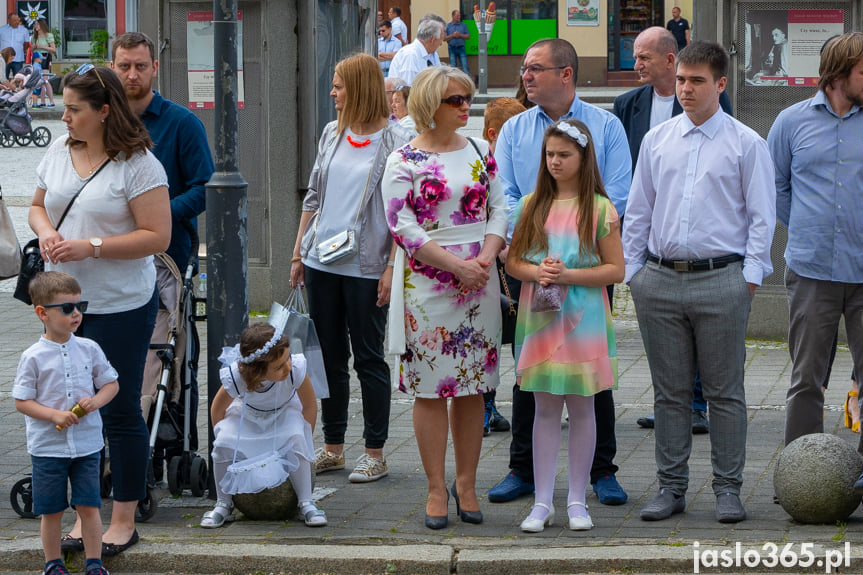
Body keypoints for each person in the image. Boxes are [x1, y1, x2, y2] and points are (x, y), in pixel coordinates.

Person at [623, 41, 776, 523]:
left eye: (697, 81)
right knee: (668, 393)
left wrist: (748, 278)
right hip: (660, 281)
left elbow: (762, 220)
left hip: (722, 280)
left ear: (721, 84)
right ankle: (671, 488)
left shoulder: (746, 143)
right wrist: (634, 273)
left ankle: (728, 490)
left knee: (724, 392)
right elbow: (639, 211)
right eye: (683, 80)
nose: (686, 89)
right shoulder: (658, 140)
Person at [29, 64, 171, 556]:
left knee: (120, 409)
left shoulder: (140, 164)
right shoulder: (59, 150)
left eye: (73, 109)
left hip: (120, 305)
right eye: (64, 108)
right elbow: (37, 206)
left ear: (104, 111)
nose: (63, 116)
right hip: (66, 302)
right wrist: (46, 232)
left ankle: (123, 519)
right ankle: (86, 518)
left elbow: (157, 237)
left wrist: (91, 245)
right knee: (70, 410)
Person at [490, 38, 632, 508]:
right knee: (529, 372)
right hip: (533, 263)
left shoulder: (605, 126)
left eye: (536, 68)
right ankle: (523, 469)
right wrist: (537, 239)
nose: (526, 76)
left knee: (592, 377)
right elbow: (507, 193)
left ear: (566, 74)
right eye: (525, 68)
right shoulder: (513, 129)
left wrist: (575, 244)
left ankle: (602, 471)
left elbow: (616, 194)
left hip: (587, 266)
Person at [381, 65, 507, 529]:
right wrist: (457, 266)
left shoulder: (478, 148)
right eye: (456, 100)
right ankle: (436, 487)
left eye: (467, 99)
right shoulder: (404, 161)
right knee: (432, 390)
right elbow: (403, 227)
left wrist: (487, 257)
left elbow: (501, 206)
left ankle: (468, 483)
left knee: (473, 388)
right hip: (430, 283)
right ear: (429, 105)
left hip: (481, 280)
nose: (465, 107)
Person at [291, 53, 412, 484]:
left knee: (369, 357)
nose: (332, 92)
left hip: (367, 265)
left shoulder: (397, 140)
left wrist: (391, 267)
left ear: (358, 87)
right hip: (321, 261)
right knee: (328, 358)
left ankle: (375, 451)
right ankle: (333, 446)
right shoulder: (332, 133)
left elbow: (403, 212)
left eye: (339, 85)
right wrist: (297, 254)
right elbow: (313, 199)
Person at [613, 27, 733, 434]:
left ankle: (697, 404)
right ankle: (673, 404)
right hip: (652, 241)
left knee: (706, 342)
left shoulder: (715, 105)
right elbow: (629, 175)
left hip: (705, 243)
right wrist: (633, 267)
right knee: (668, 347)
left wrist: (751, 274)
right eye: (635, 56)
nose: (636, 64)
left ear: (669, 58)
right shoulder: (628, 104)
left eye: (644, 57)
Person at [509, 120, 623, 534]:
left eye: (564, 155)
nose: (555, 162)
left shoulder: (598, 208)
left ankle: (577, 498)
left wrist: (566, 276)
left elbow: (616, 269)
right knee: (542, 407)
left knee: (583, 405)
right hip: (540, 317)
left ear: (583, 158)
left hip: (584, 318)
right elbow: (513, 262)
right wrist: (537, 271)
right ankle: (542, 501)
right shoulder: (529, 204)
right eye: (549, 155)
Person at [109, 32, 215, 480]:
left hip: (168, 261)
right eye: (123, 66)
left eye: (140, 66)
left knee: (170, 353)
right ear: (112, 68)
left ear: (155, 68)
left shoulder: (180, 123)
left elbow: (205, 187)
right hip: (110, 259)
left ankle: (171, 444)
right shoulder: (101, 120)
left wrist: (158, 217)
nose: (132, 75)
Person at [766, 33, 863, 471]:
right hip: (811, 270)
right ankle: (801, 477)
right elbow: (776, 187)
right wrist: (808, 227)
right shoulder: (790, 122)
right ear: (839, 74)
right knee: (807, 379)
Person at [13, 272, 119, 575]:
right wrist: (54, 415)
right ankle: (53, 563)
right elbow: (22, 401)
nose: (76, 314)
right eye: (67, 308)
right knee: (51, 510)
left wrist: (96, 402)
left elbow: (111, 384)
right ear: (42, 313)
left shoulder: (89, 348)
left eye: (79, 305)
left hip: (86, 446)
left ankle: (94, 563)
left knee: (89, 506)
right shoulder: (32, 357)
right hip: (48, 448)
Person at [204, 322, 326, 528]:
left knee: (295, 438)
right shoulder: (238, 376)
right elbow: (217, 409)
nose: (287, 366)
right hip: (248, 416)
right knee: (223, 444)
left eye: (287, 358)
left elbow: (309, 405)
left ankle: (306, 501)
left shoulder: (295, 369)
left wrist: (306, 437)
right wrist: (226, 436)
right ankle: (223, 503)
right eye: (278, 366)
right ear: (257, 370)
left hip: (285, 412)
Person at [481, 97, 525, 437]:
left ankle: (528, 397)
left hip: (519, 257)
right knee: (489, 337)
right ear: (494, 134)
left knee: (520, 334)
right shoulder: (479, 165)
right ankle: (485, 406)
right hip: (491, 263)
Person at [387, 19, 444, 86]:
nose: (441, 43)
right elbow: (408, 90)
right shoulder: (411, 55)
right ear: (433, 39)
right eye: (441, 39)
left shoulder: (425, 54)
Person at [31, 20, 56, 108]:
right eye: (35, 24)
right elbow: (31, 50)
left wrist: (42, 47)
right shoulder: (34, 37)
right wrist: (33, 48)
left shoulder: (48, 35)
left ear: (42, 25)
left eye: (37, 24)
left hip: (45, 56)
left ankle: (51, 101)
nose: (36, 26)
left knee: (45, 80)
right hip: (36, 57)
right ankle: (42, 101)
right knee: (39, 80)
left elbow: (53, 49)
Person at [0, 13, 29, 79]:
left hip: (18, 58)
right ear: (9, 20)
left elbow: (26, 44)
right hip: (4, 59)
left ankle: (16, 89)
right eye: (14, 20)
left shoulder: (24, 30)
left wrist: (19, 50)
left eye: (18, 20)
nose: (17, 22)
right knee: (2, 78)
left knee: (18, 79)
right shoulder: (1, 30)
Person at [445, 10, 470, 76]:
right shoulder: (448, 26)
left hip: (461, 48)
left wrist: (460, 35)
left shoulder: (463, 25)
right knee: (453, 68)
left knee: (465, 67)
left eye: (459, 16)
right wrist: (452, 35)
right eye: (457, 16)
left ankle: (468, 84)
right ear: (453, 16)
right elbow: (444, 38)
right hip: (451, 48)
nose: (459, 17)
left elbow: (468, 36)